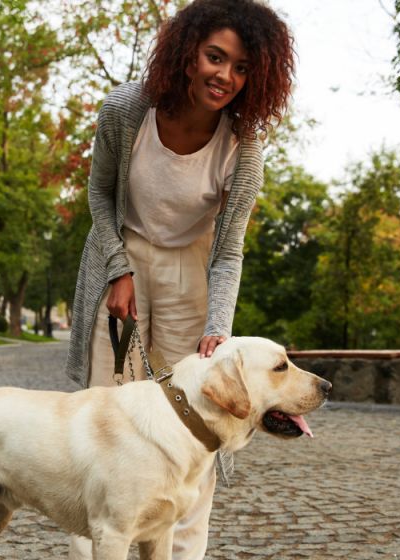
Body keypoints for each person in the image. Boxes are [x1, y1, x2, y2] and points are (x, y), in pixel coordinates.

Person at [65, 0, 295, 557]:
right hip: (119, 259)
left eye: (241, 68)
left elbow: (228, 249)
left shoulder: (243, 145)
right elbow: (99, 194)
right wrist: (119, 270)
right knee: (101, 423)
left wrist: (218, 325)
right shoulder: (126, 109)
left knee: (197, 425)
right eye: (216, 57)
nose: (226, 76)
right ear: (188, 54)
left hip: (192, 275)